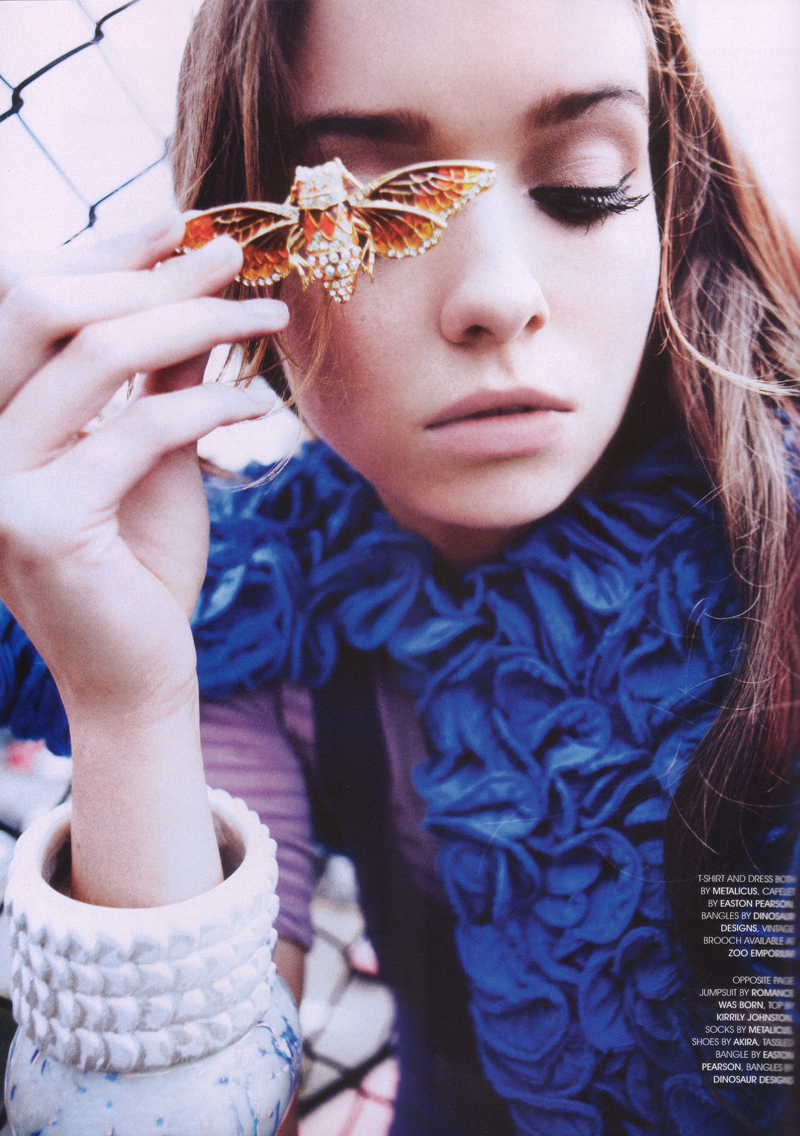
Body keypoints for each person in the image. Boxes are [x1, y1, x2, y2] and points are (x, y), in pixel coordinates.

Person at [0, 0, 798, 1133]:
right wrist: (130, 707)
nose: (498, 297)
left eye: (582, 187)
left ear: (669, 204)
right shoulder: (253, 602)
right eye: (367, 214)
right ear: (245, 272)